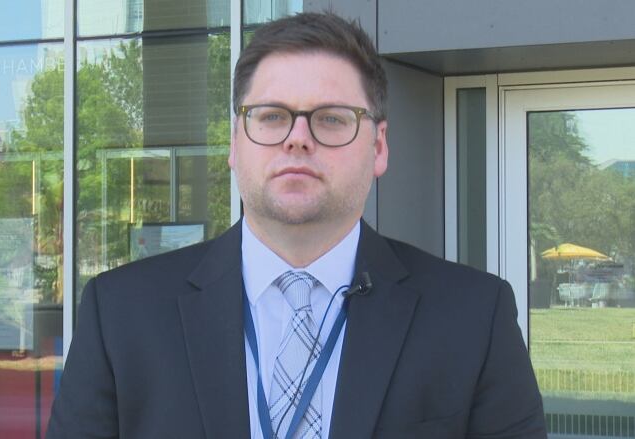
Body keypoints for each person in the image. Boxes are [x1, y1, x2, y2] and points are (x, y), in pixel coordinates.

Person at [47, 12, 546, 439]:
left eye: (331, 119)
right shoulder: (120, 315)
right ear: (234, 144)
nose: (297, 139)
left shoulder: (473, 317)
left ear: (378, 147)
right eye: (270, 116)